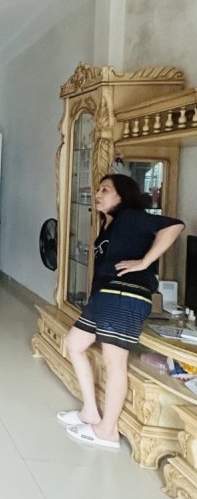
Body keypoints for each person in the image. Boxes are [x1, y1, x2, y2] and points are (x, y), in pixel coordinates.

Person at [61, 173, 184, 449]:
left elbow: (174, 226)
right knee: (74, 343)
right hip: (105, 296)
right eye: (98, 189)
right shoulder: (110, 226)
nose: (98, 194)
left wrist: (144, 262)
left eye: (106, 189)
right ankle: (90, 412)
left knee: (114, 361)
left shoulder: (130, 217)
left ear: (123, 196)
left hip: (124, 295)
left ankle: (108, 431)